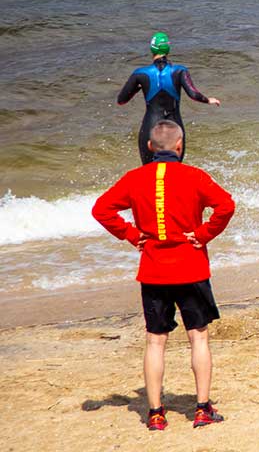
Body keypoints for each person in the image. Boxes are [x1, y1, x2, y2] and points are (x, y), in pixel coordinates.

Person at [91, 120, 236, 431]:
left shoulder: (135, 178)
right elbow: (226, 206)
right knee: (198, 336)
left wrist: (131, 234)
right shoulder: (194, 175)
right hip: (191, 267)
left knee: (155, 341)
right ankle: (201, 409)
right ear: (180, 146)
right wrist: (204, 233)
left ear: (149, 147)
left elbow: (101, 209)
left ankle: (156, 413)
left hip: (154, 270)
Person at [116, 32, 221, 165]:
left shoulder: (140, 73)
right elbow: (193, 94)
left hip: (151, 128)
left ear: (152, 48)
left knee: (149, 172)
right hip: (174, 127)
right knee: (175, 171)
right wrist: (208, 100)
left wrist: (139, 87)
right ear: (168, 49)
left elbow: (121, 100)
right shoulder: (179, 71)